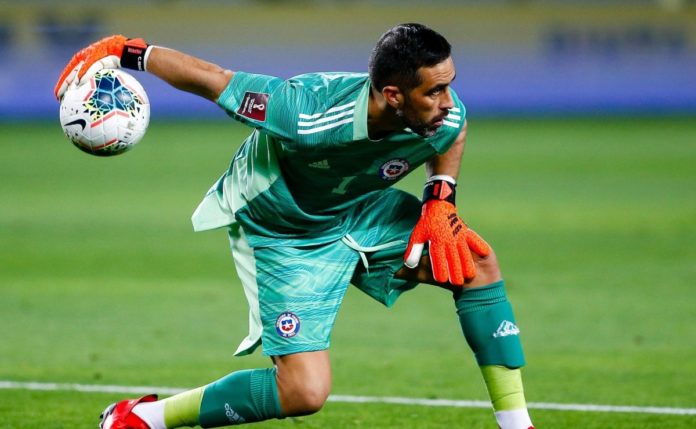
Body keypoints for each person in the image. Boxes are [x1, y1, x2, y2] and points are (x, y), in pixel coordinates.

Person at [54, 23, 534, 429]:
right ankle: (146, 418)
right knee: (304, 392)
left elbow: (455, 130)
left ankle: (517, 424)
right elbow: (214, 80)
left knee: (476, 262)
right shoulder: (306, 112)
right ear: (393, 96)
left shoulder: (440, 114)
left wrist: (440, 198)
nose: (449, 101)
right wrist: (126, 51)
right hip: (284, 231)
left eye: (449, 85)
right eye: (434, 91)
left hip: (359, 209)